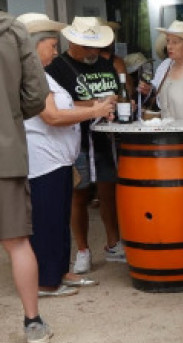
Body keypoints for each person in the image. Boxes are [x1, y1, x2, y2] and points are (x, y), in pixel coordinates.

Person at [21, 13, 112, 298]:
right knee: (48, 220)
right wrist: (94, 111)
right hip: (44, 160)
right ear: (36, 46)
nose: (55, 51)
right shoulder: (31, 74)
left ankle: (61, 271)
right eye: (51, 44)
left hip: (57, 159)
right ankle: (48, 281)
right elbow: (52, 115)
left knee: (58, 217)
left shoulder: (42, 72)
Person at [45, 17, 125, 275]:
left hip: (105, 138)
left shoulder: (105, 64)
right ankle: (82, 250)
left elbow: (117, 94)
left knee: (108, 193)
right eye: (88, 47)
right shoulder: (56, 68)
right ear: (71, 42)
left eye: (96, 47)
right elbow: (59, 106)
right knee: (79, 195)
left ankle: (113, 244)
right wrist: (96, 105)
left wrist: (116, 103)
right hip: (74, 139)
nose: (93, 52)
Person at [1, 10, 53, 343]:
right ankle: (33, 323)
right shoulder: (13, 31)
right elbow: (37, 93)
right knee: (17, 242)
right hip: (6, 152)